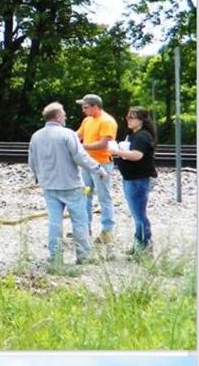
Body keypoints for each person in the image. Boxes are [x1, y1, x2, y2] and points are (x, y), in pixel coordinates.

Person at [28, 101, 105, 267]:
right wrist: (97, 168)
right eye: (63, 114)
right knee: (79, 221)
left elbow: (32, 161)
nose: (65, 117)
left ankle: (55, 257)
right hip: (71, 185)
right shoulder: (67, 134)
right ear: (57, 116)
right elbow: (80, 156)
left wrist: (38, 177)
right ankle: (83, 255)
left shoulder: (36, 136)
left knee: (54, 222)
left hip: (49, 186)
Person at [110, 106, 158, 256]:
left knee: (139, 214)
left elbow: (137, 155)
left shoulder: (142, 136)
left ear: (141, 120)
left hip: (138, 179)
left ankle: (145, 245)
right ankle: (139, 243)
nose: (128, 120)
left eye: (132, 117)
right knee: (136, 213)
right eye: (128, 117)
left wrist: (117, 152)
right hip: (131, 178)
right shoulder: (134, 135)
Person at [75, 93, 118, 243]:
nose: (83, 110)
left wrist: (81, 146)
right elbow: (78, 135)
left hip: (102, 163)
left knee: (103, 197)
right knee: (84, 195)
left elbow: (104, 144)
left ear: (95, 107)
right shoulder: (87, 120)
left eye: (85, 107)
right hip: (86, 163)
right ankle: (84, 228)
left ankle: (107, 231)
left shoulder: (107, 121)